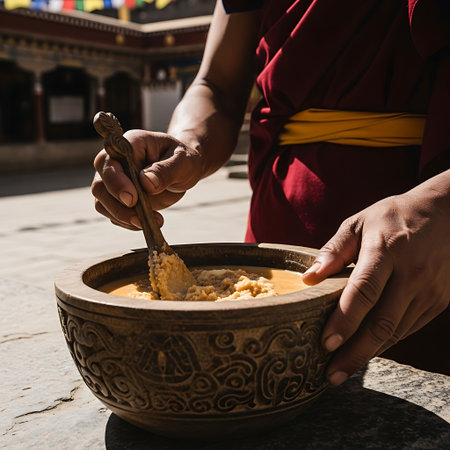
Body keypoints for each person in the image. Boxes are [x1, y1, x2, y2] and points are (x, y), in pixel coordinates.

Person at [91, 0, 450, 384]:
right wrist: (187, 146)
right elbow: (216, 85)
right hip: (279, 218)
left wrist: (443, 205)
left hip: (427, 239)